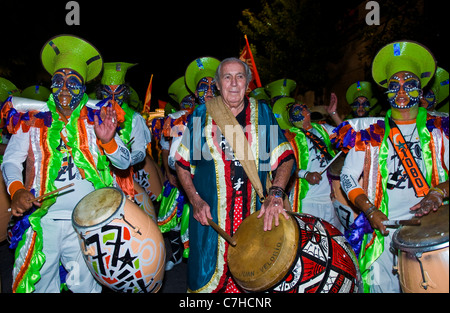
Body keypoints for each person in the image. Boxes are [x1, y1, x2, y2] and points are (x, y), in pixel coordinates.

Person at [1, 34, 131, 293]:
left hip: (88, 224)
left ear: (83, 89)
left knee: (86, 288)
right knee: (37, 286)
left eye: (72, 83)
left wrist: (108, 141)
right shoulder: (32, 120)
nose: (63, 89)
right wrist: (17, 190)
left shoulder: (98, 118)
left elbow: (124, 162)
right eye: (58, 81)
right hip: (42, 220)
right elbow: (10, 161)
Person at [335, 41, 448, 293]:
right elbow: (348, 177)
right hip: (382, 231)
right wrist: (369, 209)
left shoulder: (440, 132)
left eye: (409, 85)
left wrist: (438, 192)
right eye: (393, 86)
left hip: (431, 231)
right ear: (385, 93)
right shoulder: (370, 134)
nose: (401, 91)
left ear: (420, 90)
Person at [175, 57, 295, 293]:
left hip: (257, 223)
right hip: (211, 228)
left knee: (256, 286)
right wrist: (195, 200)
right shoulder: (201, 115)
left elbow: (285, 159)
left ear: (247, 83)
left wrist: (276, 194)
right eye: (226, 77)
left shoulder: (263, 115)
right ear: (218, 84)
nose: (233, 83)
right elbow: (182, 164)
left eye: (239, 77)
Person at [273, 94, 344, 231]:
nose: (299, 110)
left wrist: (333, 113)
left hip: (331, 199)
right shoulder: (289, 136)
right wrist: (306, 174)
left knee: (336, 241)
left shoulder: (322, 129)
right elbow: (282, 164)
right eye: (294, 110)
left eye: (302, 107)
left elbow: (346, 134)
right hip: (308, 200)